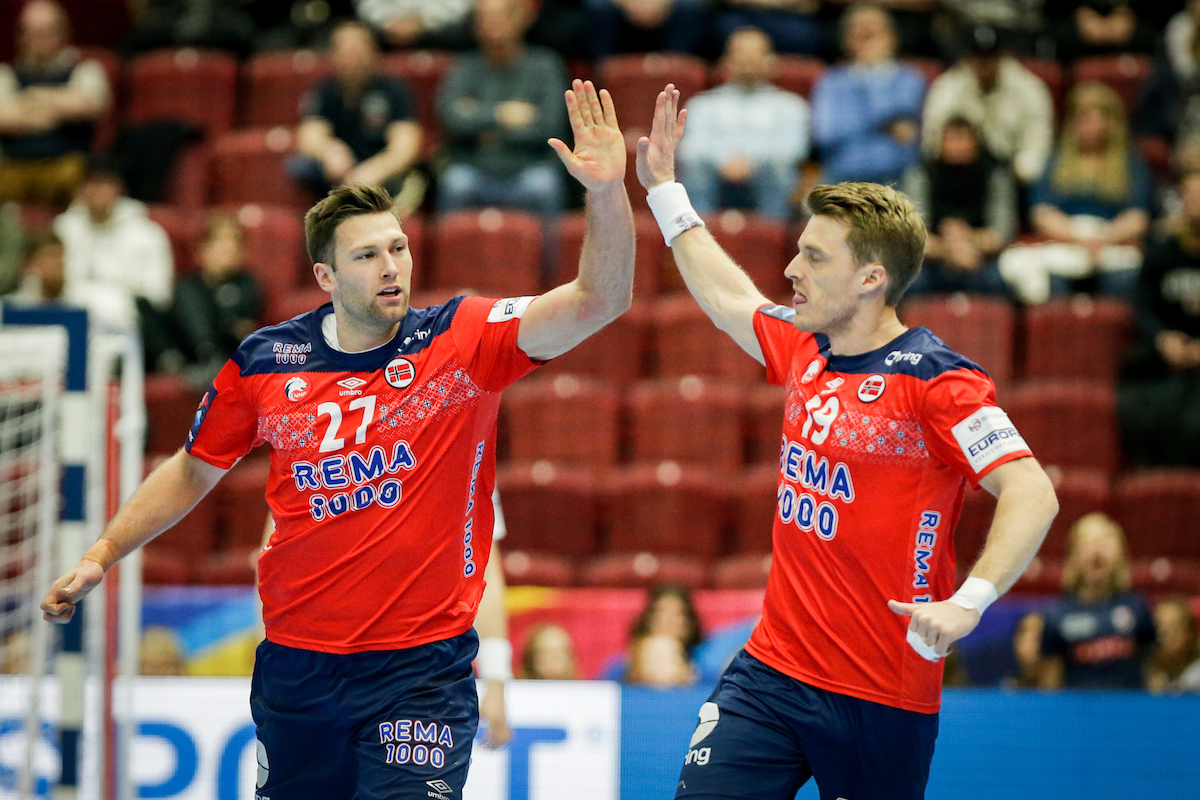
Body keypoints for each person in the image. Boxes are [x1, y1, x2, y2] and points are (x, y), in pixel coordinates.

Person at [42, 78, 635, 799]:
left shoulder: (462, 337)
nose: (392, 267)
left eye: (398, 247)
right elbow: (195, 469)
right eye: (367, 256)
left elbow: (600, 300)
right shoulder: (266, 360)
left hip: (421, 671)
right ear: (324, 275)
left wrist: (606, 195)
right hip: (298, 667)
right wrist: (104, 553)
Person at [636, 84, 1058, 800]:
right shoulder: (807, 347)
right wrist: (666, 193)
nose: (792, 270)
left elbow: (1031, 491)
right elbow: (728, 298)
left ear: (872, 277)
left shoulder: (936, 379)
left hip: (880, 693)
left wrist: (970, 600)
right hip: (771, 671)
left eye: (814, 258)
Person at [1012, 81, 1152, 302]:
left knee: (1124, 279)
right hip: (1065, 242)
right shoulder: (1055, 161)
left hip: (1112, 244)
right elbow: (1042, 213)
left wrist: (1103, 239)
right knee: (1050, 281)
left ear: (1110, 122)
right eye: (1081, 118)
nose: (1087, 125)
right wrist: (1078, 239)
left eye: (1095, 118)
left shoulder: (1131, 164)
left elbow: (1137, 218)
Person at [436, 0, 569, 216]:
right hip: (473, 167)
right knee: (455, 183)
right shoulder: (464, 66)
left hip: (529, 167)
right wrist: (503, 114)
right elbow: (451, 119)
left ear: (521, 20)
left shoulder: (545, 65)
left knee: (545, 186)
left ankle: (557, 252)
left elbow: (550, 127)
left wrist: (480, 122)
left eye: (501, 17)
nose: (492, 24)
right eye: (485, 18)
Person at [678, 26, 810, 221]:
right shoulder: (703, 103)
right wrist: (723, 161)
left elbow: (795, 148)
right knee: (694, 166)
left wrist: (751, 162)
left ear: (772, 62)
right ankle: (698, 235)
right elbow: (689, 148)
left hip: (766, 177)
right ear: (726, 61)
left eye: (755, 55)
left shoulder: (791, 105)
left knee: (781, 168)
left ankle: (771, 237)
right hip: (715, 175)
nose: (748, 61)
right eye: (741, 54)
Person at [1118, 170, 1200, 467]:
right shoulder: (1161, 250)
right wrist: (1162, 338)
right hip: (1165, 353)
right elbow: (1142, 304)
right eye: (1191, 198)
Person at [292, 20, 423, 204]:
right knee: (300, 165)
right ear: (333, 55)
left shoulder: (394, 90)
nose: (352, 58)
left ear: (373, 52)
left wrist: (374, 170)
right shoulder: (324, 91)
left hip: (380, 174)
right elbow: (309, 136)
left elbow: (406, 147)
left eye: (358, 50)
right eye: (345, 50)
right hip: (338, 175)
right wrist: (328, 150)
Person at [0, 0, 111, 206]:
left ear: (63, 34)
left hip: (67, 166)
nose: (37, 39)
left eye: (46, 32)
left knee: (82, 177)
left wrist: (29, 99)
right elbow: (3, 118)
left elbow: (88, 105)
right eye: (30, 32)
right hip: (14, 168)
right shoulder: (6, 74)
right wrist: (58, 109)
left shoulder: (85, 69)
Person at [922, 23, 1055, 190]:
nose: (984, 63)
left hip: (1014, 175)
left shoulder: (1030, 88)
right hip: (961, 175)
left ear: (1002, 55)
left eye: (990, 56)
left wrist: (1021, 173)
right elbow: (932, 138)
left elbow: (1038, 139)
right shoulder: (948, 87)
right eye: (978, 56)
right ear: (968, 57)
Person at [1034, 512, 1155, 688]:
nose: (1097, 551)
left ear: (1121, 554)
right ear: (1072, 556)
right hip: (1077, 712)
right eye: (1088, 544)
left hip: (1128, 711)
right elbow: (1050, 682)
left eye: (1106, 543)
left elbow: (1152, 670)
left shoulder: (1138, 607)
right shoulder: (1057, 615)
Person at [810, 4, 926, 186]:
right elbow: (826, 134)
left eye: (873, 35)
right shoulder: (831, 82)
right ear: (846, 41)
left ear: (892, 38)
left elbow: (910, 138)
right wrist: (886, 124)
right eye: (860, 36)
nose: (867, 43)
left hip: (896, 178)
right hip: (843, 177)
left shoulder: (910, 79)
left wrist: (874, 75)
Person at [53, 157, 173, 331]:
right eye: (90, 184)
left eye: (104, 184)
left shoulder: (148, 233)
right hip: (68, 318)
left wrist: (113, 300)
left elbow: (158, 295)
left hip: (129, 321)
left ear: (119, 189)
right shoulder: (62, 228)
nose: (96, 191)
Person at [902, 115, 1017, 297]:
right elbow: (914, 237)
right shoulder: (922, 173)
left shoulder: (994, 173)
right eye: (951, 139)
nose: (956, 146)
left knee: (1002, 282)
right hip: (934, 260)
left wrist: (968, 238)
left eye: (962, 139)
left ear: (976, 142)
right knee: (908, 284)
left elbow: (1002, 234)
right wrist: (950, 249)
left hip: (983, 258)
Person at [162, 213, 262, 381]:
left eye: (234, 243)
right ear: (202, 249)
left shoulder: (247, 283)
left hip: (228, 350)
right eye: (219, 242)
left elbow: (239, 324)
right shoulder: (187, 285)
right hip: (188, 350)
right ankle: (201, 356)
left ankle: (211, 359)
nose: (228, 248)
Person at [584, 0, 709, 60]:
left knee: (691, 7)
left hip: (669, 9)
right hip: (619, 10)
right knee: (599, 8)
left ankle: (678, 68)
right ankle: (607, 70)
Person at [355, 0, 476, 50]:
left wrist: (423, 20)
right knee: (352, 38)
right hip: (385, 30)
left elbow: (461, 4)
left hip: (442, 29)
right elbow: (367, 5)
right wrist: (389, 21)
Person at [1146, 598, 1200, 693]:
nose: (1163, 636)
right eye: (1159, 628)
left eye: (1174, 628)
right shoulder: (1143, 669)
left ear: (1190, 632)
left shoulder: (1196, 675)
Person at [625, 633, 698, 687]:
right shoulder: (619, 697)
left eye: (669, 660)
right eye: (653, 659)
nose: (659, 666)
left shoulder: (698, 698)